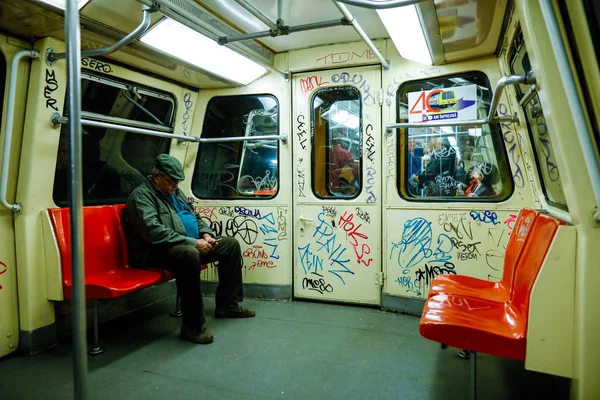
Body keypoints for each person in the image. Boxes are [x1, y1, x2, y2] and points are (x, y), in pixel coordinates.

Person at [123, 154, 255, 345]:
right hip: (154, 251)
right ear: (157, 175)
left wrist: (206, 235)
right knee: (189, 255)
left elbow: (195, 216)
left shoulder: (175, 192)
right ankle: (192, 326)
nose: (175, 186)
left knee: (229, 245)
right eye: (171, 181)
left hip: (186, 243)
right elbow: (154, 233)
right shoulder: (142, 197)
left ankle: (228, 305)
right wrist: (193, 243)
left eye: (177, 182)